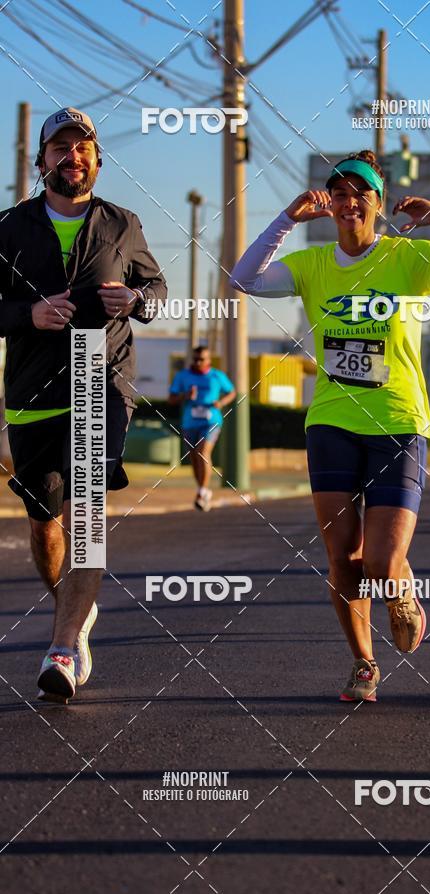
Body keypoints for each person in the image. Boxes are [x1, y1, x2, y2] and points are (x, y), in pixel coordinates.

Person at [230, 149, 430, 702]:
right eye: (342, 192)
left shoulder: (407, 258)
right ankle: (363, 664)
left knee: (380, 561)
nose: (351, 201)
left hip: (398, 421)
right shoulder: (313, 266)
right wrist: (287, 219)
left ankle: (401, 592)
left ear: (378, 205)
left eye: (363, 194)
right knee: (342, 557)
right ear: (331, 203)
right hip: (331, 421)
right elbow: (243, 279)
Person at [0, 107, 167, 701]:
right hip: (31, 391)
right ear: (41, 159)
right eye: (60, 148)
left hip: (102, 381)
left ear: (98, 158)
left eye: (83, 148)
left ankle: (63, 646)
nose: (72, 157)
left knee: (88, 512)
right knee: (45, 524)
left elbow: (158, 287)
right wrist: (29, 315)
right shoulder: (9, 228)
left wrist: (139, 298)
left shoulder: (123, 224)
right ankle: (75, 611)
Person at [169, 345, 236, 510]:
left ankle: (202, 491)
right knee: (194, 458)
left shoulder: (216, 376)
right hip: (189, 423)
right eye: (196, 359)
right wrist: (185, 396)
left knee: (203, 452)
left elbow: (232, 392)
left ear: (209, 360)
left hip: (211, 421)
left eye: (202, 359)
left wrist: (221, 402)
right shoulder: (182, 376)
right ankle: (202, 491)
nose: (198, 362)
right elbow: (171, 399)